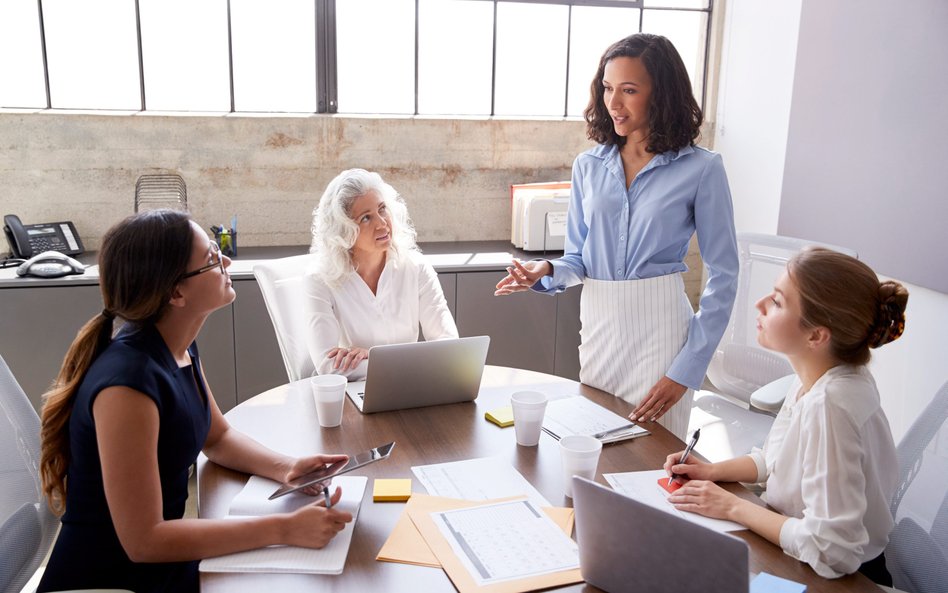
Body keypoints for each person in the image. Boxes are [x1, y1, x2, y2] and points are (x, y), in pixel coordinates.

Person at [38, 210, 353, 593]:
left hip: (164, 561)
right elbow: (143, 541)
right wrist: (283, 528)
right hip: (111, 580)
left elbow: (216, 438)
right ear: (175, 293)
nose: (227, 262)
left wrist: (287, 468)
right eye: (210, 260)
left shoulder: (176, 346)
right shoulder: (127, 386)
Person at [495, 33, 738, 439]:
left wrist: (687, 369)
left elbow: (725, 275)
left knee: (652, 469)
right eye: (607, 88)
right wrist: (546, 269)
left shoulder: (702, 169)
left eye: (629, 90)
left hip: (662, 338)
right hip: (599, 331)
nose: (613, 102)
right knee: (590, 459)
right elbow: (577, 260)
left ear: (661, 94)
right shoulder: (588, 166)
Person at [664, 247, 907, 584]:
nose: (759, 304)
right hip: (795, 549)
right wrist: (711, 470)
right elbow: (775, 461)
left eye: (777, 302)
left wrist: (732, 506)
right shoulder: (819, 374)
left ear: (817, 335)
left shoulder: (831, 405)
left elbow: (832, 551)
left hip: (842, 580)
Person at [305, 168, 458, 380]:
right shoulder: (320, 281)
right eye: (366, 218)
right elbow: (328, 366)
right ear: (344, 231)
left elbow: (449, 347)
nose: (382, 223)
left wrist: (374, 358)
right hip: (354, 397)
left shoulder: (416, 267)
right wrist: (413, 362)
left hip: (412, 388)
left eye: (382, 209)